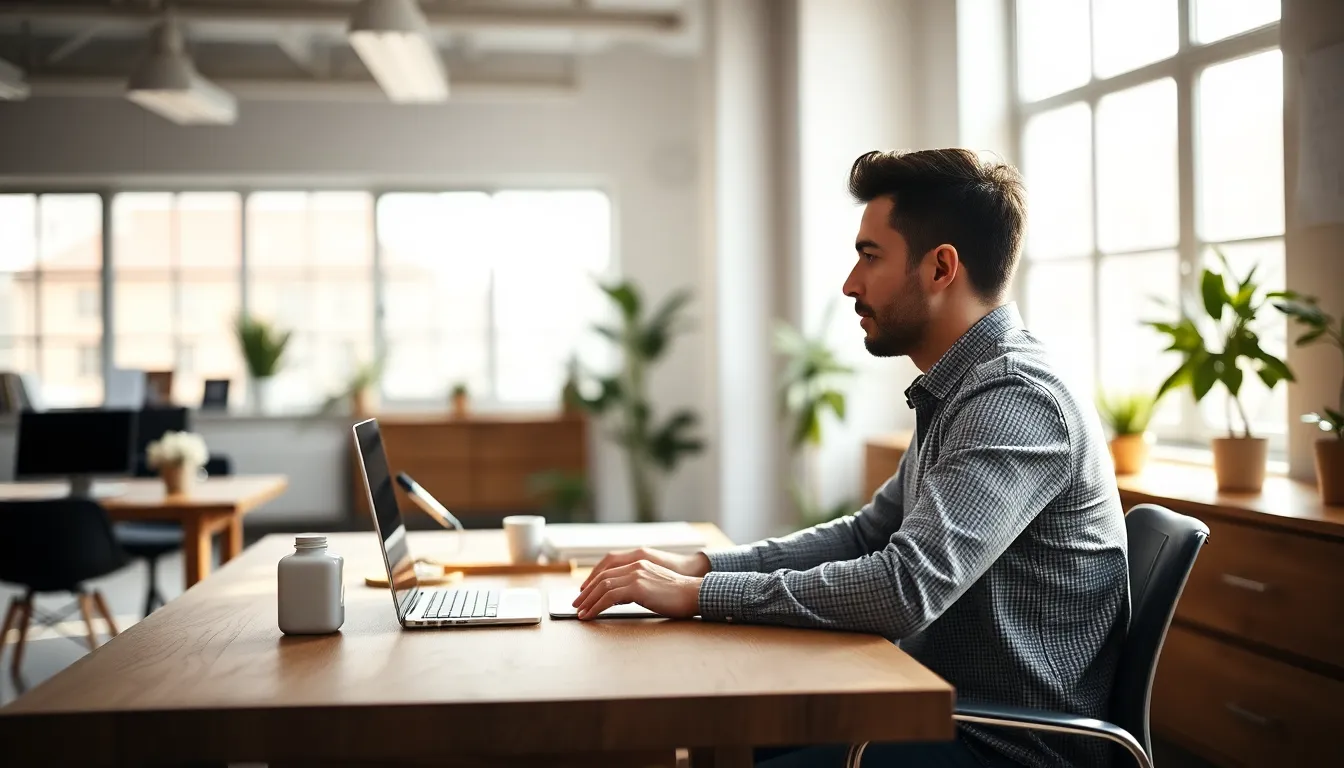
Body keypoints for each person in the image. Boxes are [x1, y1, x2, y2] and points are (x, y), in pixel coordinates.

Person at [573, 148, 1129, 768]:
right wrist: (699, 565)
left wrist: (703, 592)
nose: (850, 283)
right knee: (720, 739)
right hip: (926, 706)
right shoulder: (963, 386)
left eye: (870, 256)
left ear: (941, 267)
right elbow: (869, 534)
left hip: (1001, 744)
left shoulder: (1015, 397)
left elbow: (903, 587)